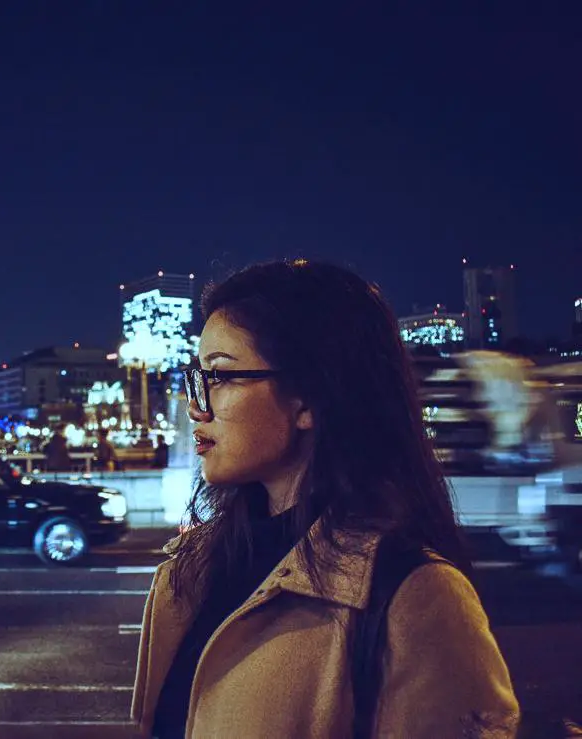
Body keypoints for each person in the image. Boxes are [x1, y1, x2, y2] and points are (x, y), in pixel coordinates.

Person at [132, 260, 518, 738]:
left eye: (222, 377)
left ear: (309, 400)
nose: (195, 405)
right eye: (198, 377)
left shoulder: (416, 597)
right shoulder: (190, 570)